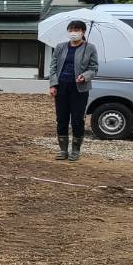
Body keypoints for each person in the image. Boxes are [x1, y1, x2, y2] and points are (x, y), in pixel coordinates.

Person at [48, 19, 100, 160]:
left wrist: (85, 76)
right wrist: (53, 84)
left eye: (76, 30)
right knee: (62, 118)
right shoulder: (60, 47)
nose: (73, 33)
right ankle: (63, 150)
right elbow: (53, 66)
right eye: (70, 30)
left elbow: (94, 68)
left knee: (77, 119)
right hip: (62, 86)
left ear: (83, 32)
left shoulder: (90, 48)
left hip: (79, 88)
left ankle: (75, 150)